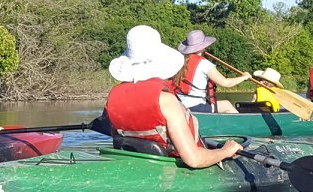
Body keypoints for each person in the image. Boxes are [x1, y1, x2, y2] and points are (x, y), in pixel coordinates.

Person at [103, 26, 244, 170]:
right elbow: (194, 160)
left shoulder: (112, 98)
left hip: (135, 167)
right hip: (169, 168)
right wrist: (225, 151)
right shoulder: (166, 101)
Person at [172, 29, 251, 114]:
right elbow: (226, 83)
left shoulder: (179, 60)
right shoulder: (204, 64)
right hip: (195, 106)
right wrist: (244, 77)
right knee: (229, 109)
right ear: (203, 47)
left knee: (226, 104)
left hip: (178, 104)